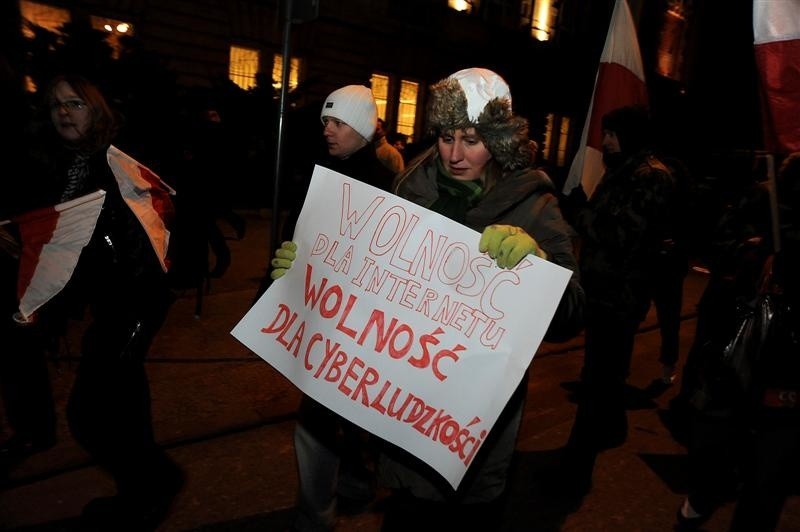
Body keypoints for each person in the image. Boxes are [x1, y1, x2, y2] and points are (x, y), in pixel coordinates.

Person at [373, 67, 585, 529]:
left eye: (471, 139)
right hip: (407, 405)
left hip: (474, 423)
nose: (454, 153)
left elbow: (573, 312)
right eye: (447, 136)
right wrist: (312, 268)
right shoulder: (410, 186)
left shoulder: (533, 203)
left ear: (499, 139)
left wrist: (538, 264)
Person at [6, 74, 183, 529]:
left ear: (97, 111)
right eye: (55, 105)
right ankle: (144, 490)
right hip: (110, 303)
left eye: (75, 104)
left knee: (92, 412)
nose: (64, 112)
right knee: (118, 404)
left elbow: (147, 232)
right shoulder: (62, 164)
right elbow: (65, 240)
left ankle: (155, 483)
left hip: (138, 299)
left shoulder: (117, 161)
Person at [269, 84, 395, 532]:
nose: (328, 129)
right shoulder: (319, 170)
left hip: (357, 326)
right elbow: (298, 234)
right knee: (322, 420)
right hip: (321, 317)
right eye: (325, 121)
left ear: (362, 127)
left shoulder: (384, 185)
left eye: (338, 122)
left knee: (338, 419)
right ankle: (331, 502)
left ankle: (330, 505)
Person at [675, 151, 800, 531]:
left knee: (768, 479)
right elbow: (720, 247)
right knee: (720, 443)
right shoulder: (761, 202)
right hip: (743, 348)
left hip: (790, 369)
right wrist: (756, 252)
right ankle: (702, 496)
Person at [559, 104, 677, 496]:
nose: (605, 141)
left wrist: (579, 213)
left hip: (620, 298)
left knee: (598, 382)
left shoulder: (651, 178)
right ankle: (608, 432)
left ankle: (575, 473)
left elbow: (620, 235)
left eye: (611, 134)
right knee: (602, 379)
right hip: (603, 292)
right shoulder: (624, 170)